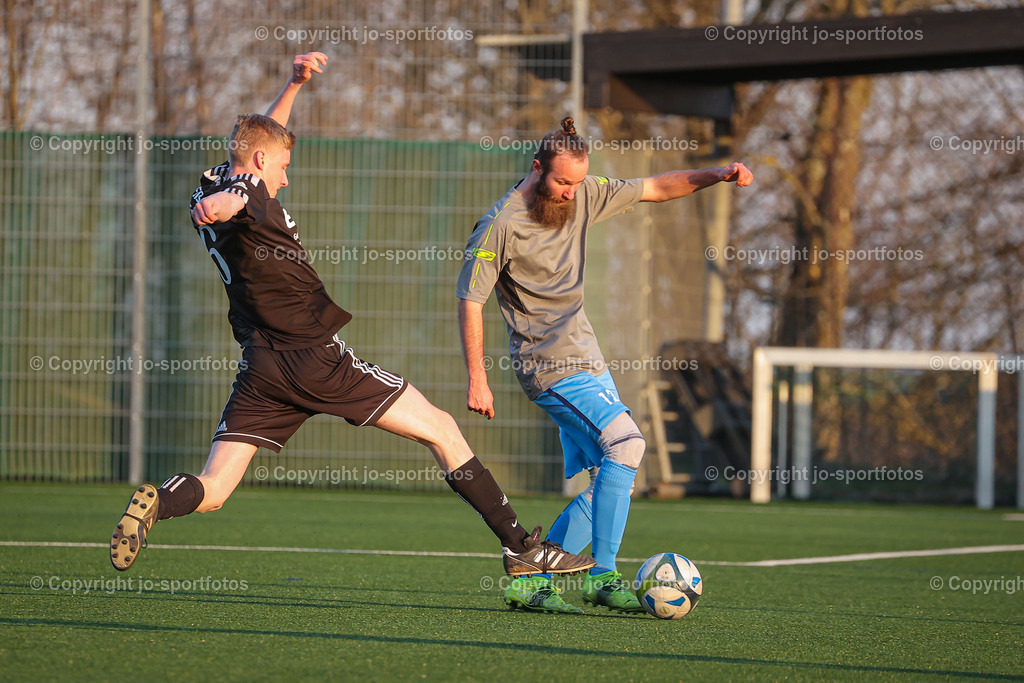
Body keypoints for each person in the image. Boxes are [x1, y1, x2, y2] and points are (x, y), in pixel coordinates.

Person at [109, 54, 595, 582]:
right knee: (443, 429)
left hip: (262, 368)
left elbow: (256, 153)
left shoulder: (210, 181)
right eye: (283, 168)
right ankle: (522, 546)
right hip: (314, 357)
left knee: (215, 488)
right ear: (259, 162)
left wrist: (292, 85)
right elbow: (242, 191)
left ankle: (161, 501)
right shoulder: (243, 193)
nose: (286, 180)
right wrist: (224, 205)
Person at [457, 117, 752, 613]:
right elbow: (470, 301)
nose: (573, 193)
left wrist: (718, 173)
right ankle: (602, 574)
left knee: (614, 469)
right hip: (546, 366)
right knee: (628, 442)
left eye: (578, 182)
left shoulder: (586, 193)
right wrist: (477, 379)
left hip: (587, 359)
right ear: (536, 168)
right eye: (563, 182)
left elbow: (657, 187)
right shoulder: (500, 225)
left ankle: (531, 580)